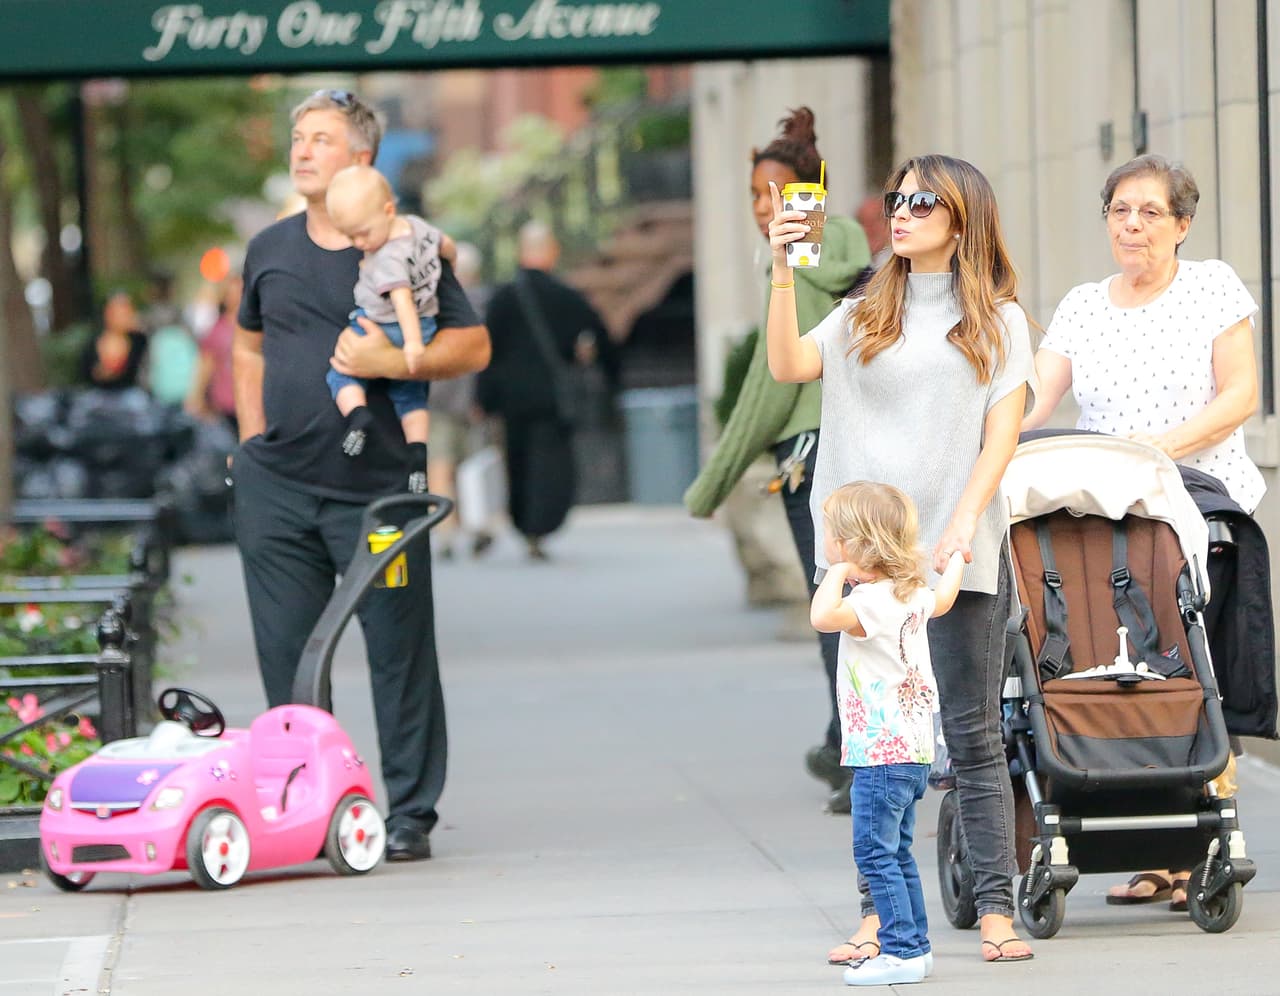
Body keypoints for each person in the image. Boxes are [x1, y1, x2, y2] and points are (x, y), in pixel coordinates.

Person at [766, 154, 1036, 964]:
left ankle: (996, 910)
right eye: (897, 198)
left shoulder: (1001, 319)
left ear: (964, 216)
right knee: (876, 742)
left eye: (923, 200)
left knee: (971, 731)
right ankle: (878, 914)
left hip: (955, 553)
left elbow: (1002, 435)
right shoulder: (862, 308)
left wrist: (961, 526)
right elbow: (787, 367)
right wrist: (782, 270)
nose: (903, 211)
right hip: (863, 558)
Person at [232, 88, 489, 862]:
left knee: (398, 651)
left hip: (379, 488)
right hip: (276, 486)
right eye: (298, 136)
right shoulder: (269, 249)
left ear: (363, 159)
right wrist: (249, 445)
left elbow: (471, 347)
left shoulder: (404, 246)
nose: (302, 149)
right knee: (287, 655)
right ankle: (307, 804)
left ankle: (409, 811)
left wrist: (390, 360)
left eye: (321, 138)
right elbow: (246, 347)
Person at [1023, 153, 1263, 912]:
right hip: (1106, 525)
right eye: (1120, 211)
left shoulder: (1211, 288)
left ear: (1182, 224)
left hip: (1195, 506)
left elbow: (1241, 397)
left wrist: (1153, 451)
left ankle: (1197, 847)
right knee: (1124, 674)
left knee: (1195, 671)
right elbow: (1034, 399)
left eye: (1150, 212)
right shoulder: (1082, 306)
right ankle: (1155, 848)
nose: (1133, 225)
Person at [683, 107, 871, 814]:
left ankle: (859, 760)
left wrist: (710, 485)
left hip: (813, 454)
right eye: (756, 196)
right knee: (860, 603)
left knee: (835, 608)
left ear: (808, 197)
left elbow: (767, 390)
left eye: (778, 195)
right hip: (860, 446)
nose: (765, 210)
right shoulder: (850, 251)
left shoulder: (799, 260)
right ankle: (840, 741)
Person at [811, 482, 964, 986]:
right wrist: (959, 556)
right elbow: (944, 599)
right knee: (896, 852)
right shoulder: (911, 595)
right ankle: (914, 947)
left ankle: (898, 951)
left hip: (880, 753)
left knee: (875, 854)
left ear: (856, 545)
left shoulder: (870, 603)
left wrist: (835, 574)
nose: (826, 544)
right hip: (914, 750)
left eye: (832, 537)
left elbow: (821, 616)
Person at [477, 220, 613, 561]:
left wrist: (484, 398)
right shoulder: (567, 297)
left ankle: (525, 524)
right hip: (553, 396)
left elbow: (487, 350)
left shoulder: (503, 298)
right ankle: (541, 526)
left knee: (519, 460)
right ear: (551, 251)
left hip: (512, 399)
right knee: (551, 463)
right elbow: (600, 338)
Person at [324, 163, 457, 492]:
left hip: (386, 325)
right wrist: (446, 271)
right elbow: (448, 247)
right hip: (426, 324)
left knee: (341, 372)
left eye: (363, 233)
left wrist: (410, 344)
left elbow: (401, 300)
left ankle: (358, 416)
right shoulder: (418, 227)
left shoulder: (387, 258)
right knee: (410, 396)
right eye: (350, 236)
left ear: (387, 210)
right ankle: (417, 454)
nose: (359, 242)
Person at [186, 275, 242, 435]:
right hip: (225, 405)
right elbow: (206, 365)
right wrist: (195, 397)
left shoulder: (258, 327)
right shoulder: (216, 330)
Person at [79, 290, 147, 390]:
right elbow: (86, 372)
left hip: (129, 393)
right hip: (98, 393)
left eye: (126, 312)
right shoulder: (94, 341)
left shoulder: (139, 340)